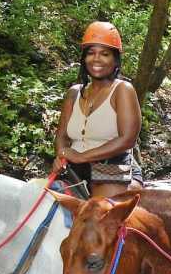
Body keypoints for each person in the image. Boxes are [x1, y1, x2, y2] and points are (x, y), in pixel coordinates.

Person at [52, 21, 142, 199]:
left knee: (100, 210)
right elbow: (61, 136)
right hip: (74, 167)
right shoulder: (74, 93)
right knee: (41, 201)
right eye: (91, 53)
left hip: (114, 166)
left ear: (115, 59)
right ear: (84, 58)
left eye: (105, 54)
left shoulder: (122, 90)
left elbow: (127, 139)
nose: (96, 59)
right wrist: (61, 155)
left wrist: (81, 157)